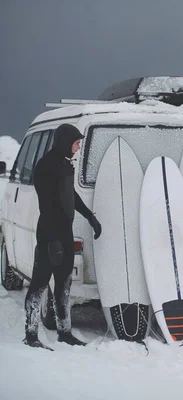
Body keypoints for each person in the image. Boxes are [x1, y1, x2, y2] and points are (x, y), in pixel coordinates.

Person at [23, 124, 102, 350]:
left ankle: (64, 332)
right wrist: (52, 239)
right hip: (50, 233)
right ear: (66, 141)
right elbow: (47, 206)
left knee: (64, 285)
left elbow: (71, 196)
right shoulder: (45, 167)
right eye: (76, 143)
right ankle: (30, 335)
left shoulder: (66, 165)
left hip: (65, 233)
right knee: (39, 284)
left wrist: (90, 217)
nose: (78, 148)